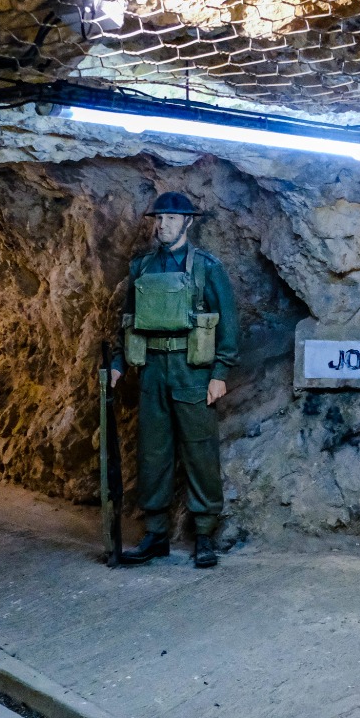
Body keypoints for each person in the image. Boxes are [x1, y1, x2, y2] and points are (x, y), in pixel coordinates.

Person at [110, 191, 239, 568]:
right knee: (153, 452)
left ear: (188, 222)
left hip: (192, 371)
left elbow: (229, 324)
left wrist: (220, 372)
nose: (162, 225)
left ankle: (204, 534)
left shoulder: (208, 268)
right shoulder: (142, 267)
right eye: (159, 218)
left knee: (200, 452)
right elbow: (128, 320)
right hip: (152, 370)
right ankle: (155, 534)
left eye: (170, 218)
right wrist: (118, 362)